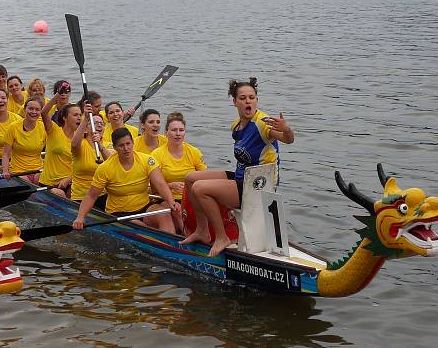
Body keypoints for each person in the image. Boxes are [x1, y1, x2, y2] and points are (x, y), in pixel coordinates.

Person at [180, 78, 294, 256]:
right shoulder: (237, 126)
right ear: (235, 102)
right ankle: (202, 230)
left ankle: (221, 237)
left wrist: (286, 129)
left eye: (252, 97)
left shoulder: (263, 123)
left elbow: (288, 139)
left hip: (259, 186)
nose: (248, 101)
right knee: (190, 178)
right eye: (243, 98)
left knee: (200, 189)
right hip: (242, 177)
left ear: (256, 100)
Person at [72, 128, 179, 234]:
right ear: (114, 147)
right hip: (119, 212)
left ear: (133, 143)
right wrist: (80, 218)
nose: (126, 148)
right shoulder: (105, 168)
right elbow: (91, 196)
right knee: (142, 228)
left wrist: (171, 202)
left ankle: (172, 245)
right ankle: (158, 240)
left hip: (144, 207)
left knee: (164, 215)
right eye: (121, 145)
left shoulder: (147, 160)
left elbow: (160, 184)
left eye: (128, 144)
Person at [150, 112, 207, 232]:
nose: (178, 134)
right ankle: (186, 235)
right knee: (178, 210)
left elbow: (206, 178)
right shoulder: (157, 154)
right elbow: (154, 187)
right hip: (166, 198)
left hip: (190, 196)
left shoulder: (194, 152)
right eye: (174, 130)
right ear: (166, 133)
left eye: (181, 130)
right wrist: (170, 186)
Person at [37, 101, 83, 198]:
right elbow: (44, 112)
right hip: (50, 184)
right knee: (60, 194)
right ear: (65, 118)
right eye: (75, 115)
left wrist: (69, 179)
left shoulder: (80, 139)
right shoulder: (54, 130)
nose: (79, 117)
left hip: (70, 182)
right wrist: (58, 95)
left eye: (80, 115)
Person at [70, 104, 111, 206]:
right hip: (81, 197)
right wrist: (86, 119)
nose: (99, 125)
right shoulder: (81, 144)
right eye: (95, 123)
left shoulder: (108, 145)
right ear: (86, 129)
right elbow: (74, 144)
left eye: (102, 123)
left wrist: (100, 145)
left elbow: (112, 162)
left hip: (103, 195)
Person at [1, 97, 47, 183]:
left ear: (40, 112)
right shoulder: (13, 127)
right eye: (30, 109)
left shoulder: (44, 127)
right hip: (18, 171)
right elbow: (6, 154)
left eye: (37, 110)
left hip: (38, 170)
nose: (34, 112)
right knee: (27, 183)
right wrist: (5, 171)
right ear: (24, 109)